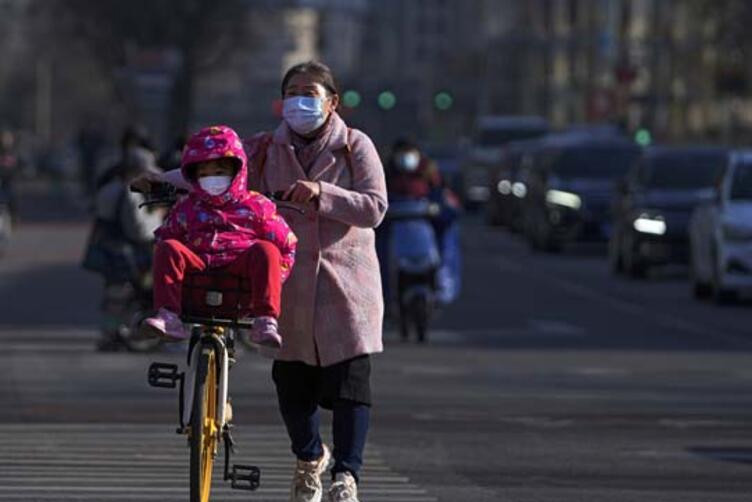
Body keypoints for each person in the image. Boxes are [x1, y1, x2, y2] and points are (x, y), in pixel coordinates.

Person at [134, 61, 386, 502]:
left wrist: (323, 194)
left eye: (309, 93)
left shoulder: (355, 147)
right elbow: (208, 169)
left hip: (346, 285)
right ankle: (309, 458)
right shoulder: (264, 149)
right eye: (292, 93)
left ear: (332, 102)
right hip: (285, 285)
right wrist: (157, 180)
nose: (300, 102)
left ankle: (347, 476)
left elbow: (374, 207)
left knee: (350, 384)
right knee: (293, 386)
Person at [139, 125, 297, 349]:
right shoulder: (188, 206)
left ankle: (265, 320)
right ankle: (168, 316)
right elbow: (165, 237)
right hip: (198, 267)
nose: (212, 180)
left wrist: (271, 278)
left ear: (237, 172)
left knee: (268, 250)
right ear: (193, 177)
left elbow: (287, 245)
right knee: (168, 246)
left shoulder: (258, 206)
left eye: (220, 173)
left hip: (240, 269)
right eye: (204, 174)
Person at [90, 146, 165, 351]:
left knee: (113, 297)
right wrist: (157, 218)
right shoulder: (130, 193)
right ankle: (119, 333)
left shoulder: (108, 189)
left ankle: (110, 335)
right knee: (126, 294)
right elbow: (139, 230)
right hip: (126, 253)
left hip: (107, 248)